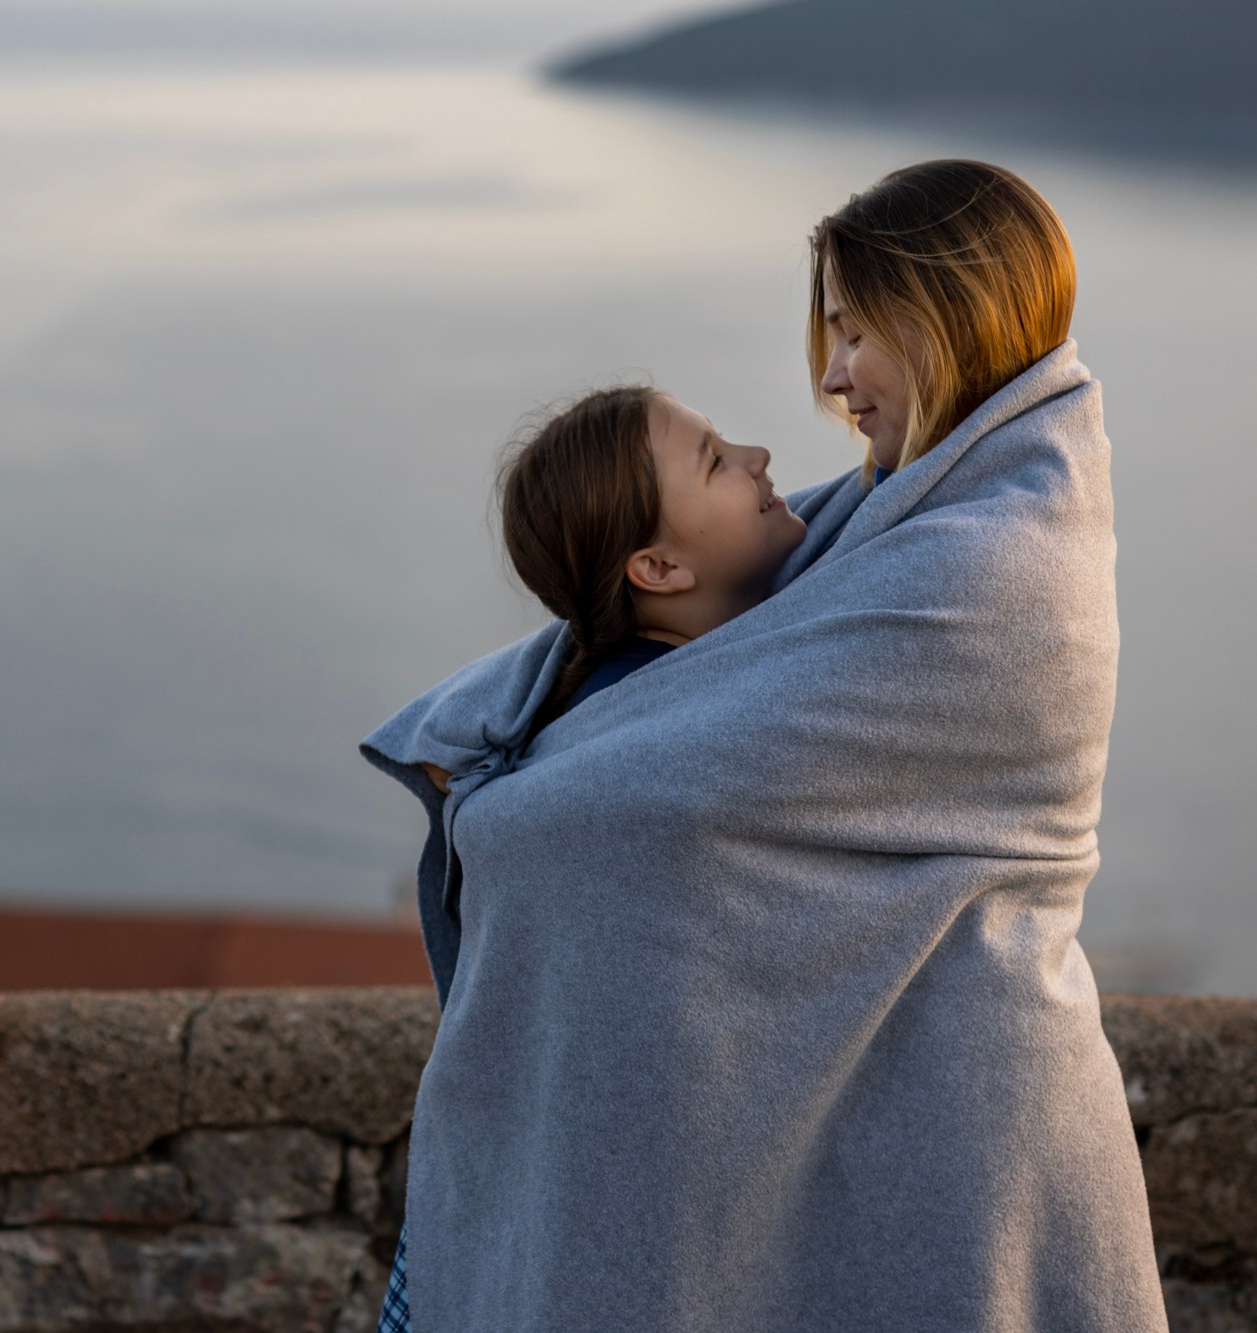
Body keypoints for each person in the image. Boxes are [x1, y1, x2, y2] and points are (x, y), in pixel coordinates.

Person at [363, 159, 1165, 1331]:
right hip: (925, 1107)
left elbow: (674, 770)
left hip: (971, 1126)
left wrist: (497, 801)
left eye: (853, 332)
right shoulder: (903, 505)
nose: (832, 377)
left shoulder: (991, 566)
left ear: (940, 314)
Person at [376, 380, 806, 1331]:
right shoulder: (642, 772)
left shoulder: (689, 692)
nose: (761, 459)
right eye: (717, 462)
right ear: (656, 566)